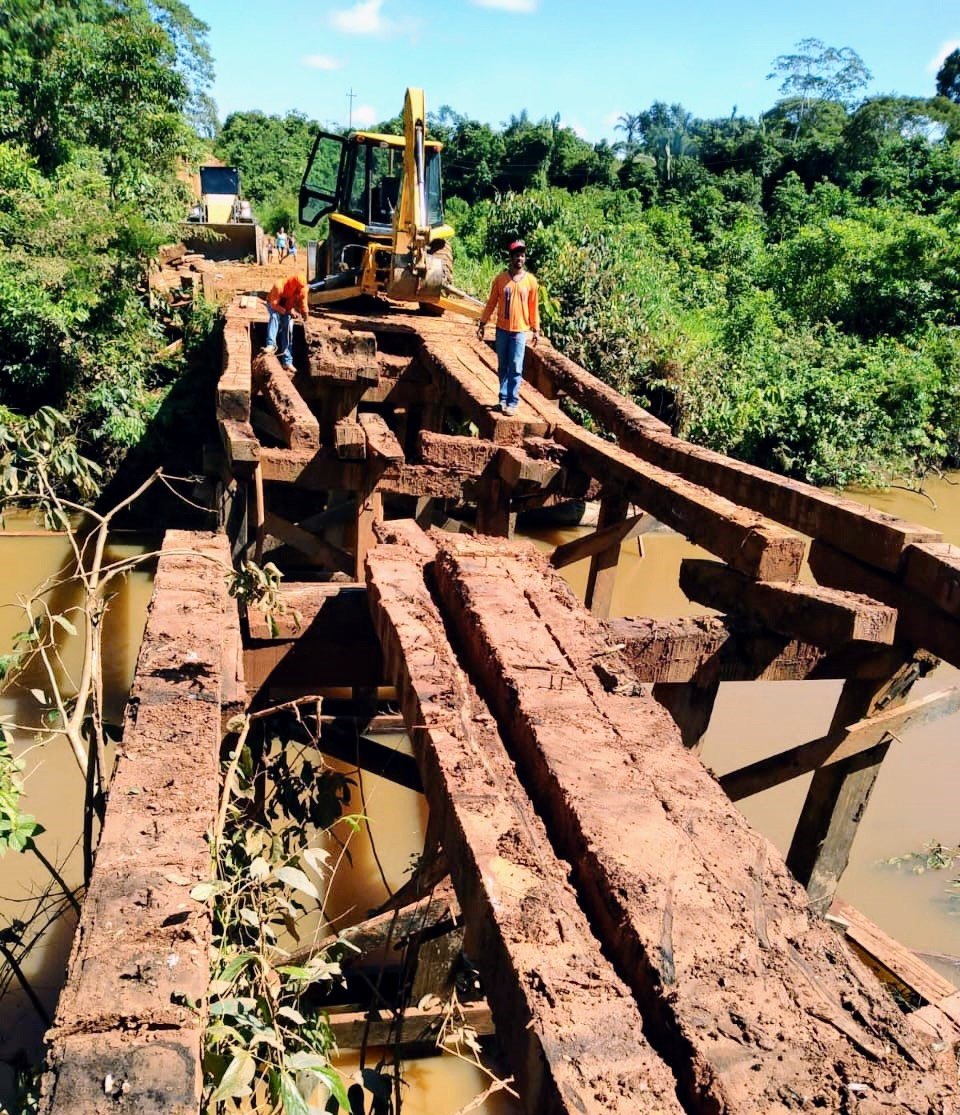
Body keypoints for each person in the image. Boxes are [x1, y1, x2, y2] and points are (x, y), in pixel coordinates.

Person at [476, 239, 539, 416]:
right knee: (503, 365)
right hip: (502, 330)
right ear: (511, 258)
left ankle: (512, 402)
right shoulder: (501, 280)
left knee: (516, 366)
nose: (519, 258)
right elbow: (491, 303)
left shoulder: (531, 282)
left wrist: (536, 329)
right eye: (516, 255)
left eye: (522, 255)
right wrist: (483, 323)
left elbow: (534, 307)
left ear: (524, 258)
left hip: (520, 331)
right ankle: (502, 399)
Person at [262, 274, 308, 371]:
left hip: (287, 307)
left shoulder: (303, 290)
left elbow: (303, 304)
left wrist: (305, 315)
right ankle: (271, 345)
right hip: (274, 304)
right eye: (297, 288)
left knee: (288, 330)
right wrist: (288, 312)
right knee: (274, 317)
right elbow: (274, 305)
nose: (299, 290)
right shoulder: (279, 286)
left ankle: (287, 362)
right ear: (292, 285)